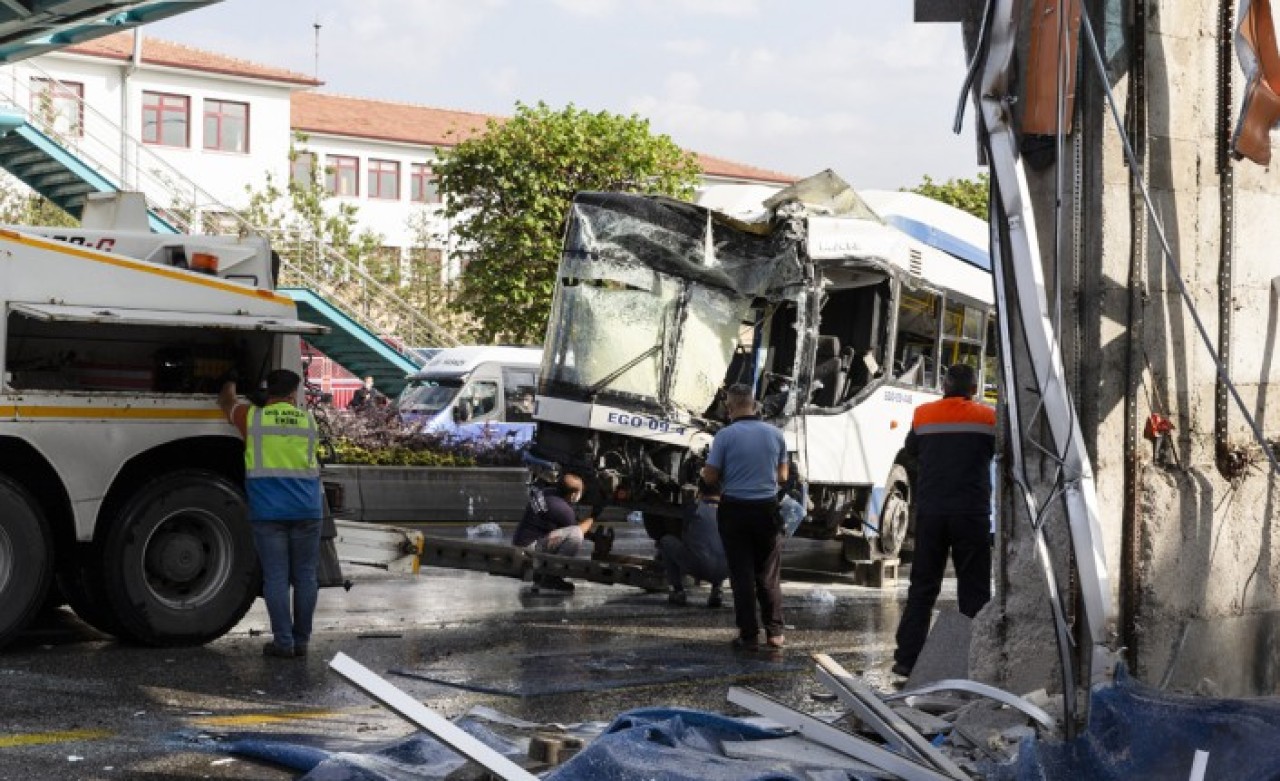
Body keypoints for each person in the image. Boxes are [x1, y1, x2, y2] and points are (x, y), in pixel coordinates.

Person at [891, 363, 997, 678]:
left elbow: (910, 451)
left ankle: (907, 660)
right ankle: (972, 662)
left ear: (944, 387)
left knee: (922, 587)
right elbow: (998, 454)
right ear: (974, 390)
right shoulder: (988, 418)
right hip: (971, 513)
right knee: (974, 589)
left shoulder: (924, 415)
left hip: (932, 512)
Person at [218, 369, 325, 659]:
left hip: (269, 511)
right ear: (293, 394)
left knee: (277, 578)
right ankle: (301, 641)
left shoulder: (252, 417)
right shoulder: (309, 420)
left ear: (268, 392)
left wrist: (229, 380)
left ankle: (284, 643)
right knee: (305, 577)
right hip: (307, 509)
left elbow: (226, 401)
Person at [700, 383, 789, 650]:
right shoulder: (776, 434)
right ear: (754, 404)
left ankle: (749, 635)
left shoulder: (725, 436)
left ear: (730, 407)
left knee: (742, 575)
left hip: (735, 511)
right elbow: (783, 476)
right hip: (767, 510)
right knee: (768, 574)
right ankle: (775, 633)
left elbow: (711, 475)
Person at [512, 472, 596, 592]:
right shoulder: (563, 510)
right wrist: (592, 518)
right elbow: (577, 531)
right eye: (580, 491)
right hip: (529, 549)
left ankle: (541, 576)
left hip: (521, 545)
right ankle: (552, 577)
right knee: (575, 534)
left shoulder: (547, 493)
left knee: (567, 532)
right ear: (573, 494)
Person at [659, 481, 729, 608]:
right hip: (726, 570)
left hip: (698, 566)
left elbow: (684, 533)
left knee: (666, 541)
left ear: (700, 493)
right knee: (718, 545)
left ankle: (678, 591)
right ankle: (717, 591)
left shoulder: (693, 508)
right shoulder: (730, 512)